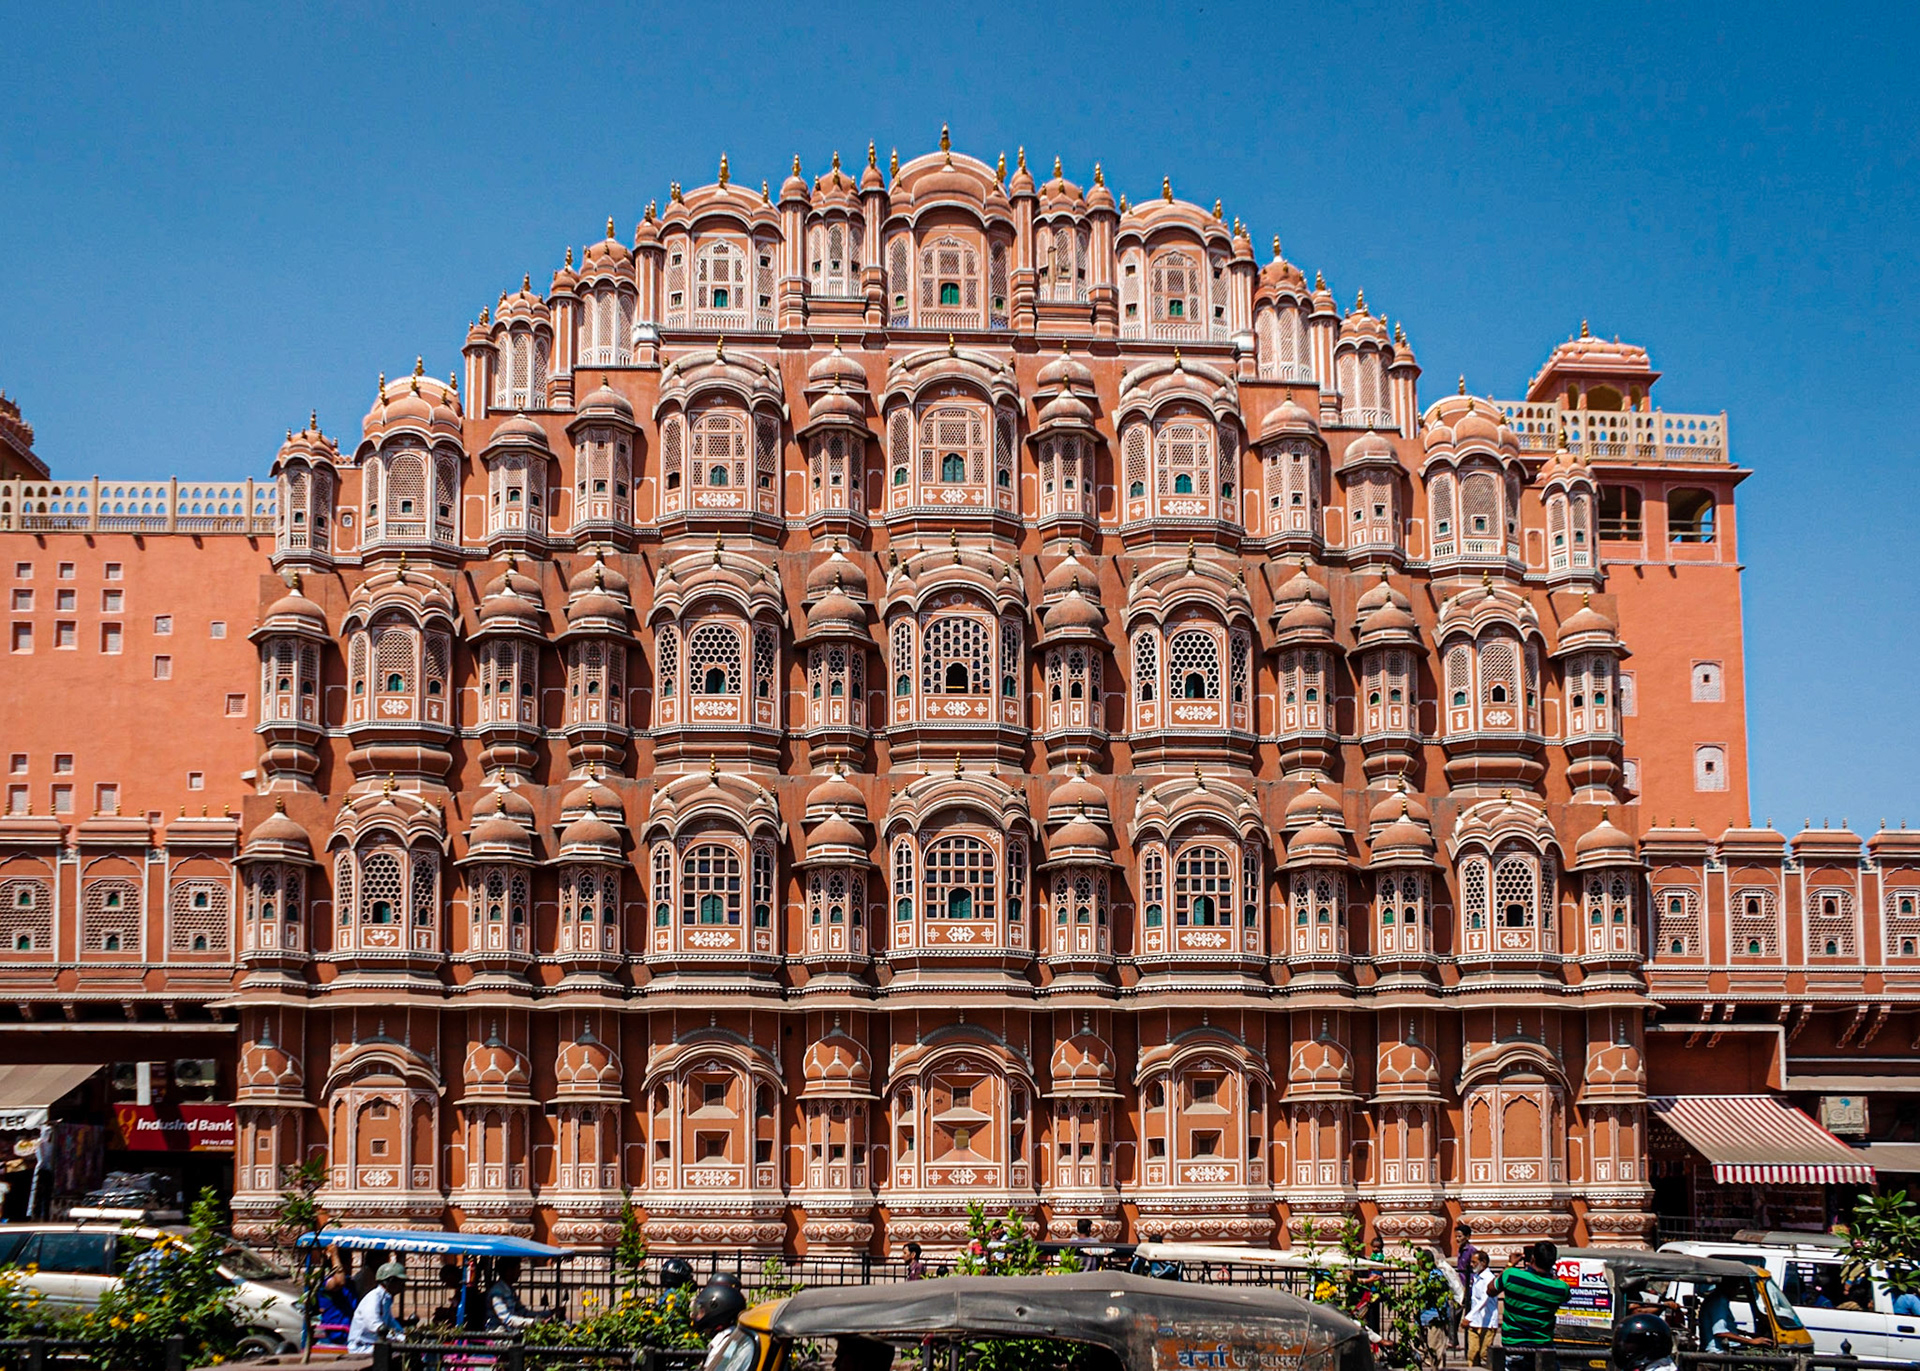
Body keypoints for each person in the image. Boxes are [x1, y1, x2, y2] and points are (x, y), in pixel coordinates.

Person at [1493, 1241, 1571, 1371]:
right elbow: (1566, 1297)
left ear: (1532, 1258)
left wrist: (1510, 1264)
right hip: (1543, 1349)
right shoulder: (1561, 1288)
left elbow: (1491, 1290)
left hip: (1514, 1348)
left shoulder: (1511, 1275)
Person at [347, 1261, 409, 1354]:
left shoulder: (386, 1298)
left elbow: (391, 1322)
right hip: (362, 1346)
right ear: (390, 1281)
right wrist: (398, 1337)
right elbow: (374, 1324)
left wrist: (403, 1333)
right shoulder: (374, 1297)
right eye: (400, 1282)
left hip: (375, 1344)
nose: (402, 1286)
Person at [1698, 1276, 1768, 1352]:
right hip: (1717, 1351)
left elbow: (1725, 1327)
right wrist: (1751, 1341)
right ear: (1729, 1286)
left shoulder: (1718, 1299)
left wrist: (1746, 1333)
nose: (1737, 1291)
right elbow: (1719, 1332)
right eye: (1736, 1287)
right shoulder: (1719, 1302)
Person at [485, 1255, 552, 1332]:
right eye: (517, 1269)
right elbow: (506, 1318)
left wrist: (548, 1313)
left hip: (511, 1332)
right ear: (508, 1271)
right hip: (499, 1335)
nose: (519, 1272)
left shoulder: (510, 1290)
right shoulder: (497, 1292)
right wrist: (533, 1322)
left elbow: (523, 1312)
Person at [1464, 1251, 1497, 1368]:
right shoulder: (1476, 1277)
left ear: (1483, 1263)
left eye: (1474, 1262)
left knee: (1485, 1353)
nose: (1471, 1264)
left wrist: (1468, 1316)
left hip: (1487, 1321)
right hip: (1475, 1321)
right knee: (1472, 1353)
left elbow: (1484, 1299)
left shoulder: (1489, 1278)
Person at [1453, 1224, 1480, 1349]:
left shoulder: (1471, 1251)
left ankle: (1470, 1343)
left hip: (1469, 1287)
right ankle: (1454, 1341)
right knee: (1454, 1314)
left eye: (1460, 1236)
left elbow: (1474, 1269)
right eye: (1456, 1237)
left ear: (1467, 1237)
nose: (1457, 1239)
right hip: (1461, 1287)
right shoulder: (1461, 1250)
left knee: (1468, 1315)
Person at [314, 1267, 358, 1344]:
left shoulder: (350, 1282)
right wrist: (334, 1255)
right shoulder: (327, 1282)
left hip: (351, 1334)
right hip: (334, 1334)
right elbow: (339, 1282)